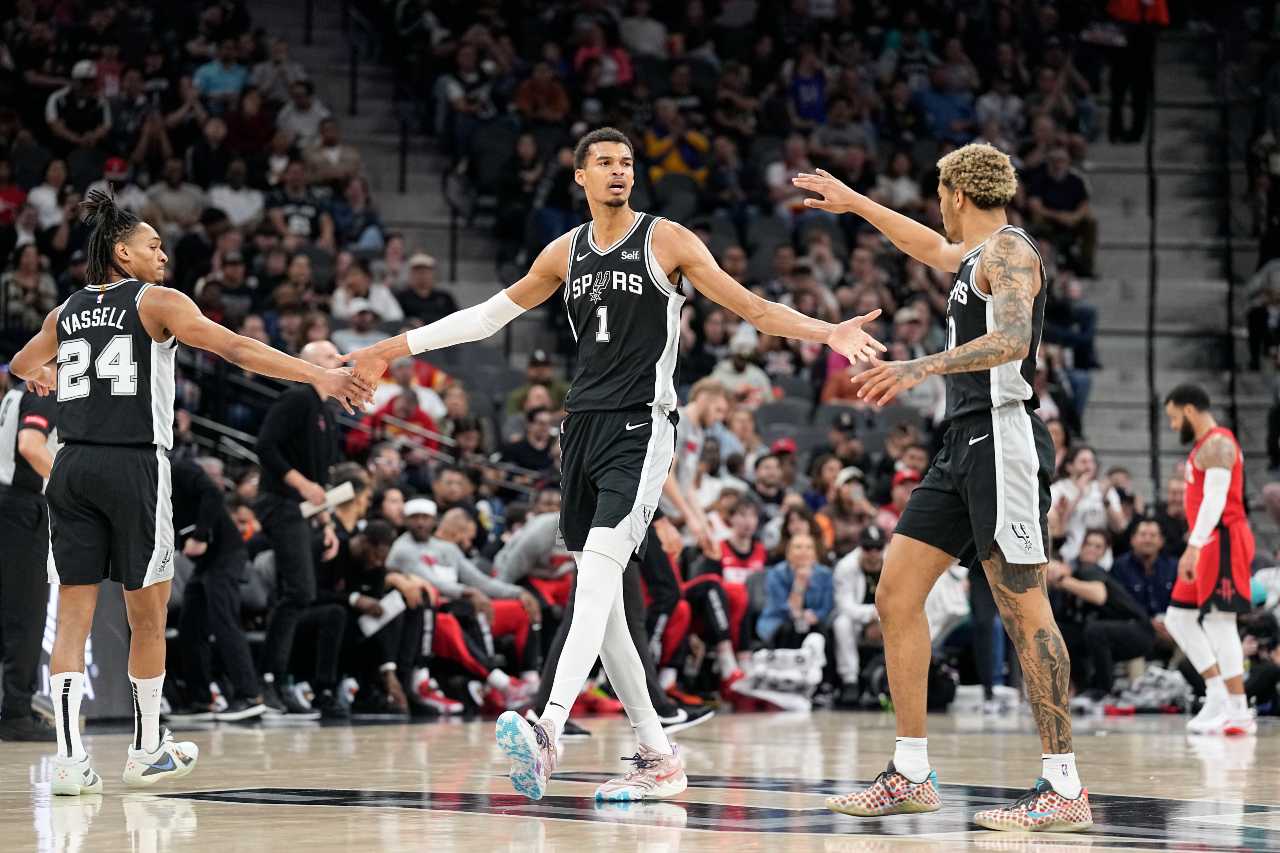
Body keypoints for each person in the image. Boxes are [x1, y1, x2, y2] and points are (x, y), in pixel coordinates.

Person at [343, 126, 884, 803]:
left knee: (596, 575)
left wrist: (826, 331)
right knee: (607, 606)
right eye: (604, 163)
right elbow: (485, 318)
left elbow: (751, 306)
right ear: (580, 176)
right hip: (584, 428)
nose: (619, 172)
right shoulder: (563, 252)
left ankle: (548, 727)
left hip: (642, 425)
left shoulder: (668, 240)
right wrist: (388, 348)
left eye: (626, 162)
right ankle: (658, 752)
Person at [7, 190, 367, 796]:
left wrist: (45, 373)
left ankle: (70, 761)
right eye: (153, 245)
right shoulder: (157, 302)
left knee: (72, 614)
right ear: (122, 252)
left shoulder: (65, 310)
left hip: (70, 468)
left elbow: (20, 363)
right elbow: (235, 346)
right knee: (146, 617)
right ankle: (148, 750)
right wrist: (317, 375)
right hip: (134, 467)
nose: (163, 254)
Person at [796, 143, 1093, 831]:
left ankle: (1063, 783)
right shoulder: (969, 258)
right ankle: (910, 770)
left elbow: (1014, 338)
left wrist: (918, 366)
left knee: (1023, 605)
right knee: (895, 590)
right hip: (961, 443)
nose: (938, 209)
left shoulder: (1010, 253)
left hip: (1004, 439)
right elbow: (923, 242)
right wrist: (856, 202)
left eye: (939, 195)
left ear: (956, 192)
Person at [254, 340, 366, 715]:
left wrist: (327, 521)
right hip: (279, 502)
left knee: (301, 592)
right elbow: (266, 447)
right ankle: (270, 679)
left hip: (303, 510)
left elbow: (321, 477)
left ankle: (283, 679)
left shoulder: (325, 411)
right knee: (300, 591)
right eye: (328, 356)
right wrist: (303, 486)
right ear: (309, 364)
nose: (338, 361)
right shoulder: (297, 399)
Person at [1161, 384, 1257, 736]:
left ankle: (1239, 711)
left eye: (1173, 417)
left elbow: (1216, 501)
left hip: (1224, 539)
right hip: (1207, 541)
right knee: (1178, 617)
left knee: (1220, 622)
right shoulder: (1204, 446)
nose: (1172, 426)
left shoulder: (1219, 443)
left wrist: (1194, 544)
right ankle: (1216, 694)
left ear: (1188, 410)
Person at [171, 458, 267, 721]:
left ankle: (249, 695)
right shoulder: (147, 474)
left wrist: (200, 535)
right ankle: (201, 699)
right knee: (190, 626)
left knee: (223, 620)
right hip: (204, 563)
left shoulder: (179, 466)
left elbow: (213, 492)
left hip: (226, 553)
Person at [0, 383, 57, 741]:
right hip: (21, 506)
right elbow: (29, 446)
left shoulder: (14, 392)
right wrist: (71, 484)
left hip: (7, 502)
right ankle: (17, 712)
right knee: (26, 612)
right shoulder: (44, 391)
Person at [832, 525, 887, 708]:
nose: (873, 553)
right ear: (860, 547)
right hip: (858, 622)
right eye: (868, 548)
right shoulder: (846, 566)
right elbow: (845, 606)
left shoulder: (895, 563)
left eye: (878, 548)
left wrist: (879, 620)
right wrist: (872, 616)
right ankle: (850, 681)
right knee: (842, 624)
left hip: (887, 621)